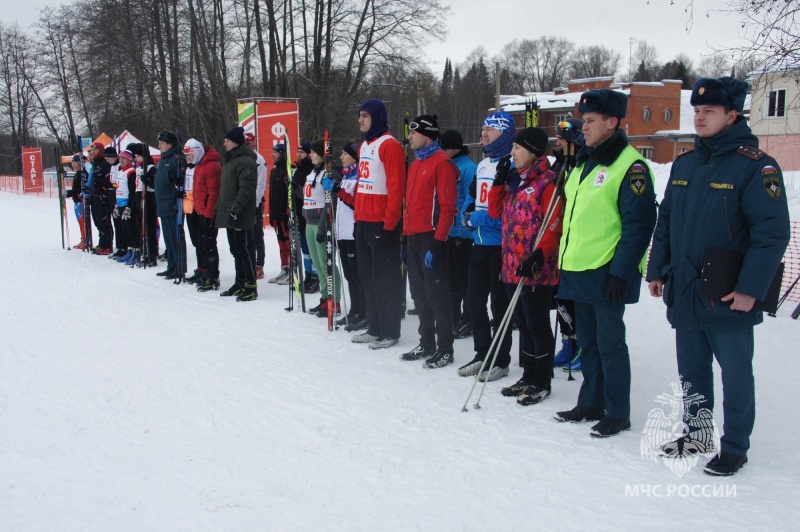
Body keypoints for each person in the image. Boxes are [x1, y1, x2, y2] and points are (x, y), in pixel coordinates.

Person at [646, 77, 790, 476]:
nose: (700, 117)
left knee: (736, 375)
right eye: (696, 110)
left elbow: (772, 234)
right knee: (691, 373)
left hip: (727, 294)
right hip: (686, 289)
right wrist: (657, 268)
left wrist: (749, 289)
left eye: (709, 111)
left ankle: (735, 447)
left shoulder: (755, 166)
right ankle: (697, 434)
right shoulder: (686, 163)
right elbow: (667, 221)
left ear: (732, 114)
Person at [553, 88, 657, 438]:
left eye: (592, 121)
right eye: (584, 121)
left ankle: (617, 411)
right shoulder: (585, 161)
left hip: (607, 271)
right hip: (579, 269)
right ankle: (590, 403)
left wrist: (621, 273)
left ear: (612, 122)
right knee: (588, 342)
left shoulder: (631, 166)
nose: (584, 127)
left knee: (611, 344)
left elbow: (638, 227)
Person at [488, 127, 562, 405]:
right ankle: (528, 375)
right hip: (511, 264)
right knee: (521, 322)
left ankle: (541, 379)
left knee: (536, 324)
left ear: (532, 151)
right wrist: (498, 181)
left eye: (518, 148)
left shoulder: (547, 182)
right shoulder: (513, 181)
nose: (513, 153)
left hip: (535, 267)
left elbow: (554, 225)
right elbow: (495, 212)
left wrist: (538, 257)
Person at [456, 111, 515, 382]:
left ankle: (501, 360)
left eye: (489, 129)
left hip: (500, 245)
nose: (483, 134)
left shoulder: (511, 164)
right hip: (478, 242)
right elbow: (472, 196)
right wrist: (468, 212)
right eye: (483, 129)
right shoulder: (483, 164)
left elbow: (507, 210)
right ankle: (482, 353)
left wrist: (476, 217)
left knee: (499, 306)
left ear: (503, 133)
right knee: (474, 300)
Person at [398, 115, 459, 368]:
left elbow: (448, 208)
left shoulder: (441, 163)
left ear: (428, 135)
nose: (409, 137)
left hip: (431, 238)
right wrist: (404, 238)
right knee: (419, 294)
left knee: (436, 294)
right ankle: (426, 342)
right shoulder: (415, 164)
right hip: (413, 237)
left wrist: (438, 242)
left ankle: (445, 347)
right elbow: (409, 205)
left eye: (414, 133)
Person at [351, 98, 407, 349]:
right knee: (367, 278)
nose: (361, 120)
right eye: (360, 115)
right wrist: (356, 218)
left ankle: (390, 330)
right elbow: (362, 187)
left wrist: (389, 224)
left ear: (377, 117)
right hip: (363, 221)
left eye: (366, 115)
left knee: (385, 280)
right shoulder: (365, 146)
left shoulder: (390, 145)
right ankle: (374, 325)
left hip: (382, 224)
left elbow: (396, 188)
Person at [551, 118, 585, 372]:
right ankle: (568, 343)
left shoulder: (584, 163)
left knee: (578, 299)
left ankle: (582, 344)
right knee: (561, 298)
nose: (558, 142)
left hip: (580, 242)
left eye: (563, 139)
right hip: (560, 240)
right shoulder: (561, 163)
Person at [322, 140, 367, 328]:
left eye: (345, 154)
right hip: (342, 233)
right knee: (349, 275)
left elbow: (356, 203)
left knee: (357, 275)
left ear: (355, 156)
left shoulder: (359, 177)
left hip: (353, 233)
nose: (341, 157)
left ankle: (364, 311)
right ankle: (355, 310)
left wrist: (337, 189)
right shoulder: (347, 175)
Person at [440, 129, 477, 340]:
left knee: (464, 280)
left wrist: (462, 228)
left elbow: (468, 200)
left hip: (464, 235)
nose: (443, 152)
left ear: (454, 148)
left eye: (445, 148)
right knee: (451, 278)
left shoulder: (468, 168)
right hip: (450, 232)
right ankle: (453, 317)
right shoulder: (449, 165)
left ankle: (467, 318)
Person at [216, 126, 259, 302]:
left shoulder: (246, 161)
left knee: (243, 249)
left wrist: (236, 210)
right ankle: (239, 282)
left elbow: (246, 190)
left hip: (240, 213)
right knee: (235, 250)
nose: (224, 143)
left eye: (227, 140)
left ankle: (251, 285)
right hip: (228, 211)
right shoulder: (230, 160)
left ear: (236, 142)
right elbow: (225, 189)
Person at [304, 139, 344, 318]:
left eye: (313, 152)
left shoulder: (330, 173)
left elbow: (331, 201)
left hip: (321, 224)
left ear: (322, 155)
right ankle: (324, 297)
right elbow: (310, 195)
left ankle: (334, 300)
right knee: (318, 265)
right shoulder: (313, 172)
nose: (310, 155)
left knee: (326, 263)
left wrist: (323, 227)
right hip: (309, 223)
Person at [183, 139, 223, 291]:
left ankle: (212, 275)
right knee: (200, 242)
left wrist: (208, 214)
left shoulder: (211, 166)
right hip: (198, 210)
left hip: (207, 212)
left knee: (209, 244)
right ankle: (203, 270)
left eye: (190, 154)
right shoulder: (198, 166)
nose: (189, 158)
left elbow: (214, 193)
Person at [294, 141, 320, 293]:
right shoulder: (298, 170)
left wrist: (297, 189)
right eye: (297, 152)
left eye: (302, 153)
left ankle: (315, 277)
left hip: (310, 214)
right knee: (304, 247)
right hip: (299, 212)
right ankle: (308, 275)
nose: (299, 155)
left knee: (312, 248)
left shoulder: (310, 170)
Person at [244, 133, 269, 280]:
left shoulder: (258, 160)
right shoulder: (241, 158)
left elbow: (260, 184)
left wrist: (255, 202)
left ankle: (259, 264)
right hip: (244, 202)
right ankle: (250, 261)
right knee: (246, 235)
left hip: (254, 202)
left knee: (256, 234)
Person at [129, 144, 159, 267]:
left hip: (149, 200)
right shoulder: (138, 168)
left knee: (149, 227)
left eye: (138, 156)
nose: (136, 159)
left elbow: (155, 185)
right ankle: (144, 250)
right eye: (135, 156)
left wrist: (146, 180)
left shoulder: (151, 168)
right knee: (142, 228)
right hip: (140, 199)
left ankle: (152, 252)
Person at [267, 144, 291, 284]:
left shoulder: (287, 171)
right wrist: (271, 214)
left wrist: (288, 212)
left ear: (282, 154)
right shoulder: (273, 171)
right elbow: (271, 194)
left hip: (284, 213)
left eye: (275, 152)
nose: (273, 154)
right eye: (272, 152)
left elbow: (289, 194)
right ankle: (284, 268)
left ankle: (291, 270)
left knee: (287, 241)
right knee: (280, 241)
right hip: (275, 212)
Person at [112, 150, 139, 265]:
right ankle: (129, 250)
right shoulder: (120, 171)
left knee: (132, 229)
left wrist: (129, 207)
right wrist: (116, 205)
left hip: (128, 204)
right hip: (120, 203)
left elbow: (132, 191)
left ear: (129, 159)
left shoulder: (131, 172)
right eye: (120, 158)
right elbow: (118, 188)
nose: (121, 161)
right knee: (125, 230)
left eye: (124, 158)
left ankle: (136, 251)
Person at [88, 142, 113, 255]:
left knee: (104, 222)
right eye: (92, 150)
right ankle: (102, 243)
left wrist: (103, 188)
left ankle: (107, 245)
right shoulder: (95, 164)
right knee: (97, 222)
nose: (93, 152)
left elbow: (108, 181)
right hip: (95, 197)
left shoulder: (104, 164)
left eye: (95, 150)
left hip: (103, 198)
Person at [67, 154, 91, 249]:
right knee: (80, 221)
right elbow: (75, 189)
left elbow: (79, 189)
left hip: (81, 201)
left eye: (75, 162)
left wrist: (69, 193)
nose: (73, 164)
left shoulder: (83, 173)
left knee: (83, 221)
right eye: (72, 162)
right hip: (76, 201)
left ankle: (86, 239)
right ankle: (83, 239)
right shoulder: (77, 173)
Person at [104, 147, 124, 258]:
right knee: (116, 224)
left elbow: (119, 183)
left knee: (120, 224)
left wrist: (112, 185)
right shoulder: (112, 166)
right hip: (112, 197)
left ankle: (124, 247)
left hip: (119, 197)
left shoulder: (119, 166)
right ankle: (120, 247)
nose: (107, 161)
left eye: (108, 158)